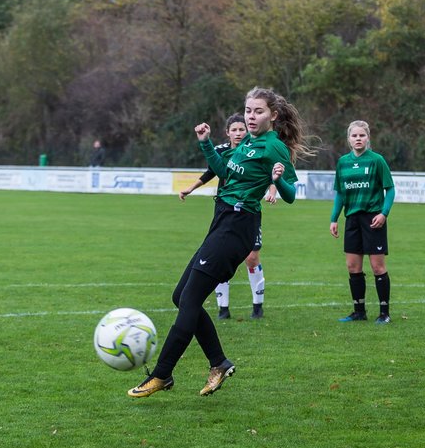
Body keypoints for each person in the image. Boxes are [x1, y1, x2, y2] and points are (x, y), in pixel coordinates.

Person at [130, 87, 311, 398]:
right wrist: (205, 145)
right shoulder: (247, 144)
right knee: (180, 297)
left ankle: (162, 374)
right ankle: (219, 362)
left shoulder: (274, 147)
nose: (251, 117)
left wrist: (279, 179)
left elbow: (292, 195)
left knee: (189, 301)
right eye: (248, 111)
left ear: (274, 115)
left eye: (258, 112)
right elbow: (225, 171)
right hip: (222, 224)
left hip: (237, 227)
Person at [179, 114, 275, 320]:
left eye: (242, 130)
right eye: (235, 130)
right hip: (224, 210)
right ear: (227, 132)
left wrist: (272, 190)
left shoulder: (254, 151)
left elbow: (270, 172)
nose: (239, 133)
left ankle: (257, 306)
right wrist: (190, 188)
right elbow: (211, 172)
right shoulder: (221, 151)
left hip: (248, 210)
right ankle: (223, 308)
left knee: (252, 257)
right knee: (218, 257)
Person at [330, 120, 395, 324]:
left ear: (368, 138)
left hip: (373, 218)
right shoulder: (343, 162)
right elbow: (340, 193)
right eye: (354, 136)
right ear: (349, 139)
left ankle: (384, 313)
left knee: (377, 267)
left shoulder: (377, 160)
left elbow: (390, 189)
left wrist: (384, 213)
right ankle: (359, 311)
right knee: (352, 266)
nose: (358, 139)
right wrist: (334, 218)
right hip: (352, 219)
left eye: (362, 135)